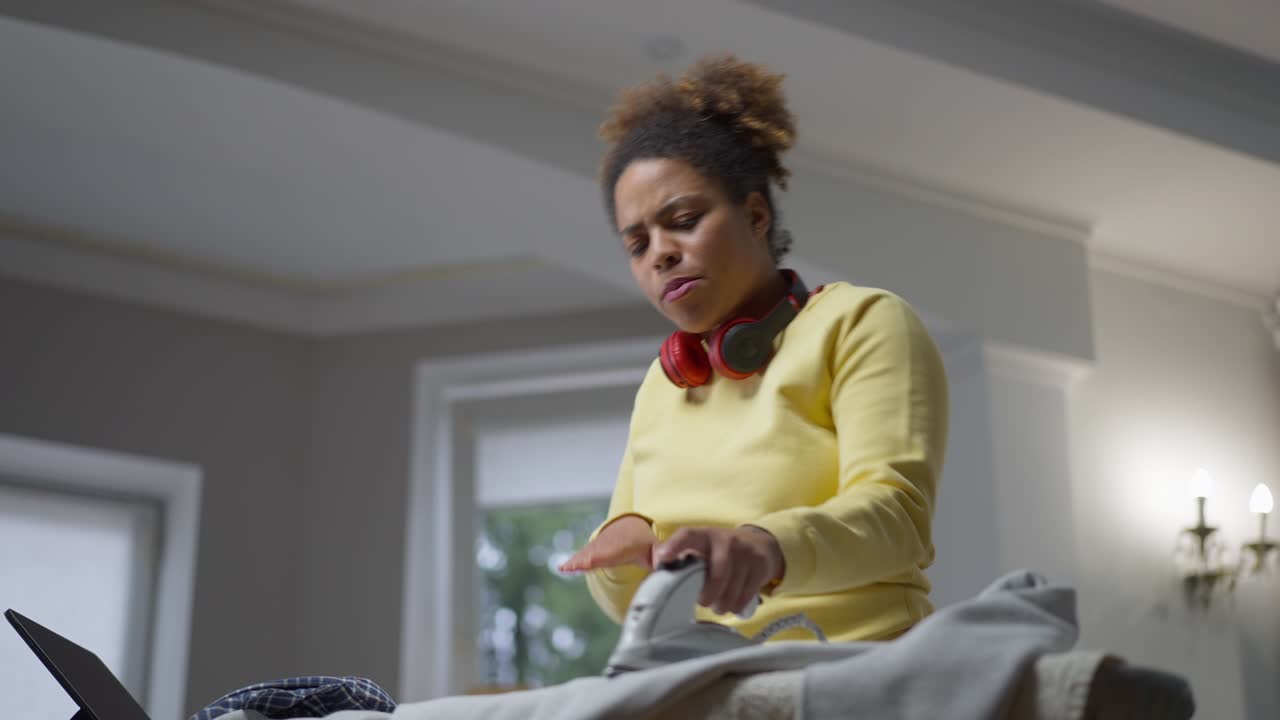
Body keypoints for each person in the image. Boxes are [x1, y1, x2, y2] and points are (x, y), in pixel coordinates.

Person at [558, 54, 949, 643]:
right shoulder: (664, 383)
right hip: (700, 677)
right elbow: (629, 603)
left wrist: (764, 549)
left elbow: (897, 522)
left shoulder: (861, 322)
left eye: (683, 219)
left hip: (853, 668)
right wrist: (623, 547)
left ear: (756, 214)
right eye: (637, 244)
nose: (660, 253)